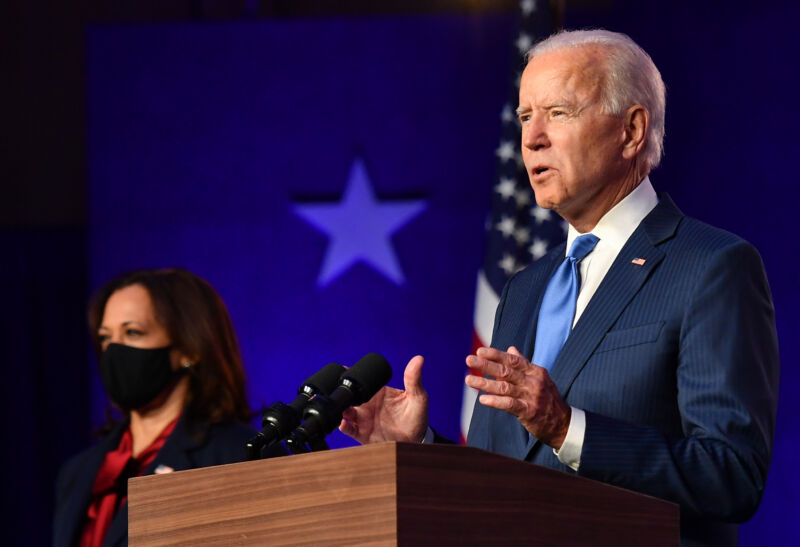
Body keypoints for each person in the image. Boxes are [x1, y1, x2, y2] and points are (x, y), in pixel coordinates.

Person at [339, 29, 779, 546]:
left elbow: (731, 476)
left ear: (632, 131)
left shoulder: (711, 267)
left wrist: (569, 427)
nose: (531, 139)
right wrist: (418, 446)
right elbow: (505, 479)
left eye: (559, 113)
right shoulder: (525, 288)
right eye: (526, 117)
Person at [53, 268, 258, 547]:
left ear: (189, 348)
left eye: (133, 332)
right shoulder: (78, 472)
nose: (114, 351)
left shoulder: (240, 456)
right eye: (105, 337)